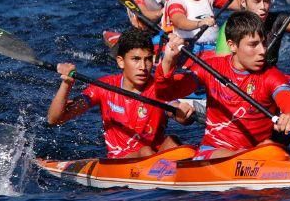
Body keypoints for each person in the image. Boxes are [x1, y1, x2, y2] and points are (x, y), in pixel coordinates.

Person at [159, 11, 290, 159]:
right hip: (212, 152)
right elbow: (167, 93)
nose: (263, 51)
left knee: (270, 149)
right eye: (253, 45)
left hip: (257, 153)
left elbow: (289, 100)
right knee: (250, 154)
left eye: (263, 43)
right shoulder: (210, 69)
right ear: (232, 45)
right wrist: (168, 62)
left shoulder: (272, 75)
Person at [47, 28, 195, 159]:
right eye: (136, 59)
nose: (143, 67)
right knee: (146, 151)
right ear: (121, 62)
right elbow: (55, 119)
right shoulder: (104, 87)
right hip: (121, 160)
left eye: (148, 59)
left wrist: (183, 114)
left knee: (172, 141)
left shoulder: (159, 88)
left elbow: (175, 109)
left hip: (154, 155)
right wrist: (66, 84)